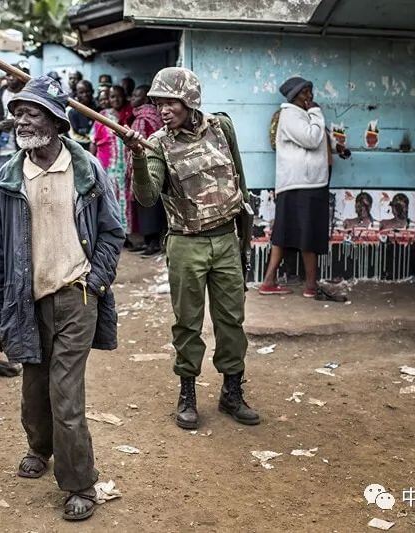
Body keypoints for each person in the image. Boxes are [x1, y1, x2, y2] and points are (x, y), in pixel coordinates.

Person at [0, 76, 124, 522]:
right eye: (19, 112)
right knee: (33, 386)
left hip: (77, 296)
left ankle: (80, 481)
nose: (22, 120)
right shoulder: (8, 177)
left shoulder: (85, 171)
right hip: (26, 299)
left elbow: (112, 231)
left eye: (33, 113)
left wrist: (95, 281)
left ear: (57, 122)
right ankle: (38, 449)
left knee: (65, 393)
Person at [124, 67, 259, 430]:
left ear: (190, 100)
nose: (164, 109)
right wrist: (138, 156)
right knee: (188, 324)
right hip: (186, 243)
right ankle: (188, 393)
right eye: (159, 102)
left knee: (231, 319)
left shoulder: (222, 128)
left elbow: (239, 179)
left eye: (171, 101)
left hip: (226, 239)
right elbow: (148, 196)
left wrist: (243, 234)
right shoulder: (157, 144)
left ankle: (232, 392)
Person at [260, 77, 338, 298]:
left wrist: (334, 145)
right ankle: (311, 287)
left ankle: (269, 282)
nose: (310, 97)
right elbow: (312, 139)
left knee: (285, 233)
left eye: (311, 92)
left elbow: (318, 137)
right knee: (307, 235)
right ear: (295, 95)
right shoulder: (290, 115)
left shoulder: (301, 115)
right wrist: (316, 112)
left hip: (307, 182)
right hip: (302, 183)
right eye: (305, 93)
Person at [91, 85, 135, 238]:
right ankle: (109, 234)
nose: (115, 100)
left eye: (118, 96)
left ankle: (124, 235)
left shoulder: (129, 115)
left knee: (124, 202)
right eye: (112, 97)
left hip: (124, 168)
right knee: (108, 201)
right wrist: (91, 164)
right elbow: (93, 141)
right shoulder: (102, 116)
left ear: (125, 97)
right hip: (107, 167)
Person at [129, 84, 165, 256]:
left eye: (136, 96)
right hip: (151, 163)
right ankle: (149, 241)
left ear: (144, 98)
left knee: (148, 204)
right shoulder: (153, 115)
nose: (132, 99)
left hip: (147, 163)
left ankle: (153, 243)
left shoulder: (144, 118)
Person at [67, 80, 95, 150]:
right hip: (81, 148)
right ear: (76, 94)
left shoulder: (99, 109)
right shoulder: (72, 112)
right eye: (81, 92)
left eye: (87, 91)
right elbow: (75, 132)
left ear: (92, 91)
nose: (85, 95)